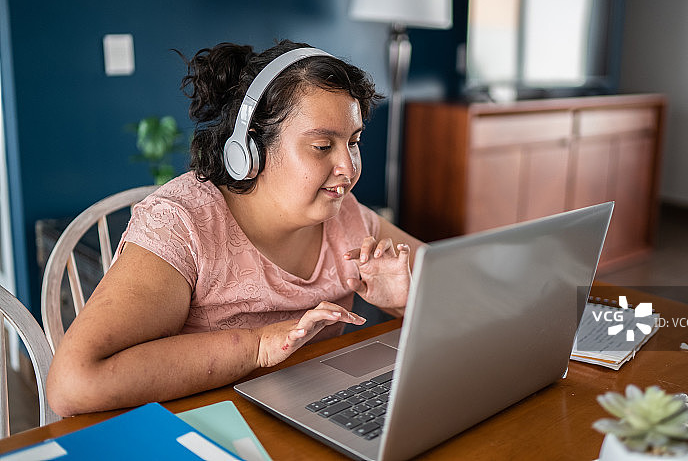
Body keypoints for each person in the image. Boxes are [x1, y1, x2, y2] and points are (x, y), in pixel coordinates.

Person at [46, 39, 422, 417]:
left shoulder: (345, 216)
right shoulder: (182, 226)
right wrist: (257, 347)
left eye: (353, 142)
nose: (349, 167)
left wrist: (406, 302)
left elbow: (467, 292)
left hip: (306, 415)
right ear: (249, 149)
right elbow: (74, 383)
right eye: (323, 146)